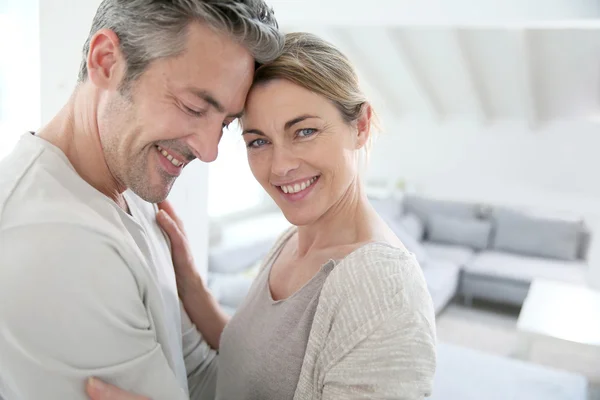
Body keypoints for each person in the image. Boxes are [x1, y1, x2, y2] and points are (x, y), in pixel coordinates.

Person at [89, 32, 437, 400]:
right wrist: (189, 281)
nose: (281, 166)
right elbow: (253, 360)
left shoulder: (383, 289)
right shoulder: (294, 240)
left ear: (361, 126)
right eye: (258, 141)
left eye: (304, 131)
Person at [0, 1, 283, 399]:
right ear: (106, 61)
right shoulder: (58, 242)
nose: (209, 150)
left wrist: (195, 292)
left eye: (224, 123)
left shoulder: (136, 190)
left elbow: (201, 375)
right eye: (193, 107)